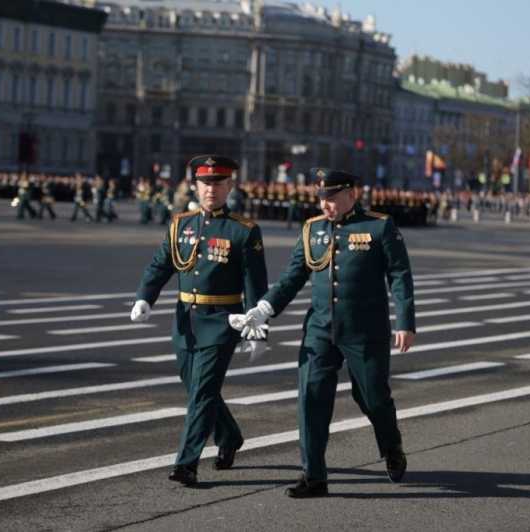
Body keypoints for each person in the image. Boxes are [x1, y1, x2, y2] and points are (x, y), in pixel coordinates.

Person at [234, 167, 416, 498]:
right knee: (311, 398)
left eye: (331, 199)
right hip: (320, 328)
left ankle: (392, 447)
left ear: (352, 194)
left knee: (373, 397)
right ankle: (314, 475)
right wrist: (263, 309)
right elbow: (292, 277)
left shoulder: (379, 225)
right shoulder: (311, 230)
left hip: (365, 330)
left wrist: (405, 321)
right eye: (321, 199)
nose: (325, 206)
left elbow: (400, 275)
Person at [130, 154, 269, 486]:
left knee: (203, 392)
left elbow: (255, 285)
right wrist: (144, 297)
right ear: (195, 186)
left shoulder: (244, 231)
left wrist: (257, 328)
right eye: (206, 183)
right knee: (196, 387)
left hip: (223, 321)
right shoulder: (181, 223)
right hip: (185, 321)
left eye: (218, 183)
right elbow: (161, 264)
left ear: (230, 186)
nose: (211, 190)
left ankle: (187, 463)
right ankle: (230, 436)